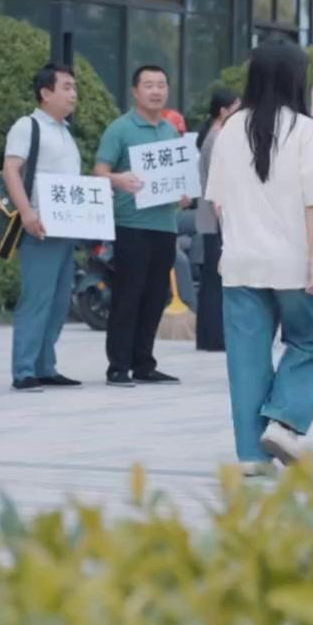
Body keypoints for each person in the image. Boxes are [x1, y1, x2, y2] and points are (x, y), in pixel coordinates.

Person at [205, 40, 313, 469]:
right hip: (293, 263)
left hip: (240, 262)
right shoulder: (307, 131)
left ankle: (251, 457)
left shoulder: (229, 130)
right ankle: (284, 420)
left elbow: (218, 203)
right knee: (310, 342)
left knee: (247, 360)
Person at [95, 65, 183, 387]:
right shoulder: (120, 129)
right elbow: (99, 172)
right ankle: (118, 366)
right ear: (135, 91)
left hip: (165, 225)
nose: (156, 91)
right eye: (149, 85)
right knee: (128, 295)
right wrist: (119, 179)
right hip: (131, 224)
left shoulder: (171, 132)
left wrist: (184, 192)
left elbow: (178, 175)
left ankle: (144, 363)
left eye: (161, 85)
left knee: (155, 296)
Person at [3, 62, 82, 392]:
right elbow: (10, 170)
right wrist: (26, 213)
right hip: (40, 227)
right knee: (37, 299)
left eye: (74, 87)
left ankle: (45, 365)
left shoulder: (65, 130)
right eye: (66, 87)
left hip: (66, 228)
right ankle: (24, 369)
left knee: (59, 301)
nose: (73, 94)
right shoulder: (27, 126)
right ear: (45, 93)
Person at [195, 86, 239, 352]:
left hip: (214, 219)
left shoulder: (216, 136)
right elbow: (217, 186)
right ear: (223, 111)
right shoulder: (217, 139)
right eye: (236, 108)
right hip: (216, 220)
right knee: (214, 281)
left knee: (212, 280)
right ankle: (213, 337)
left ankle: (210, 336)